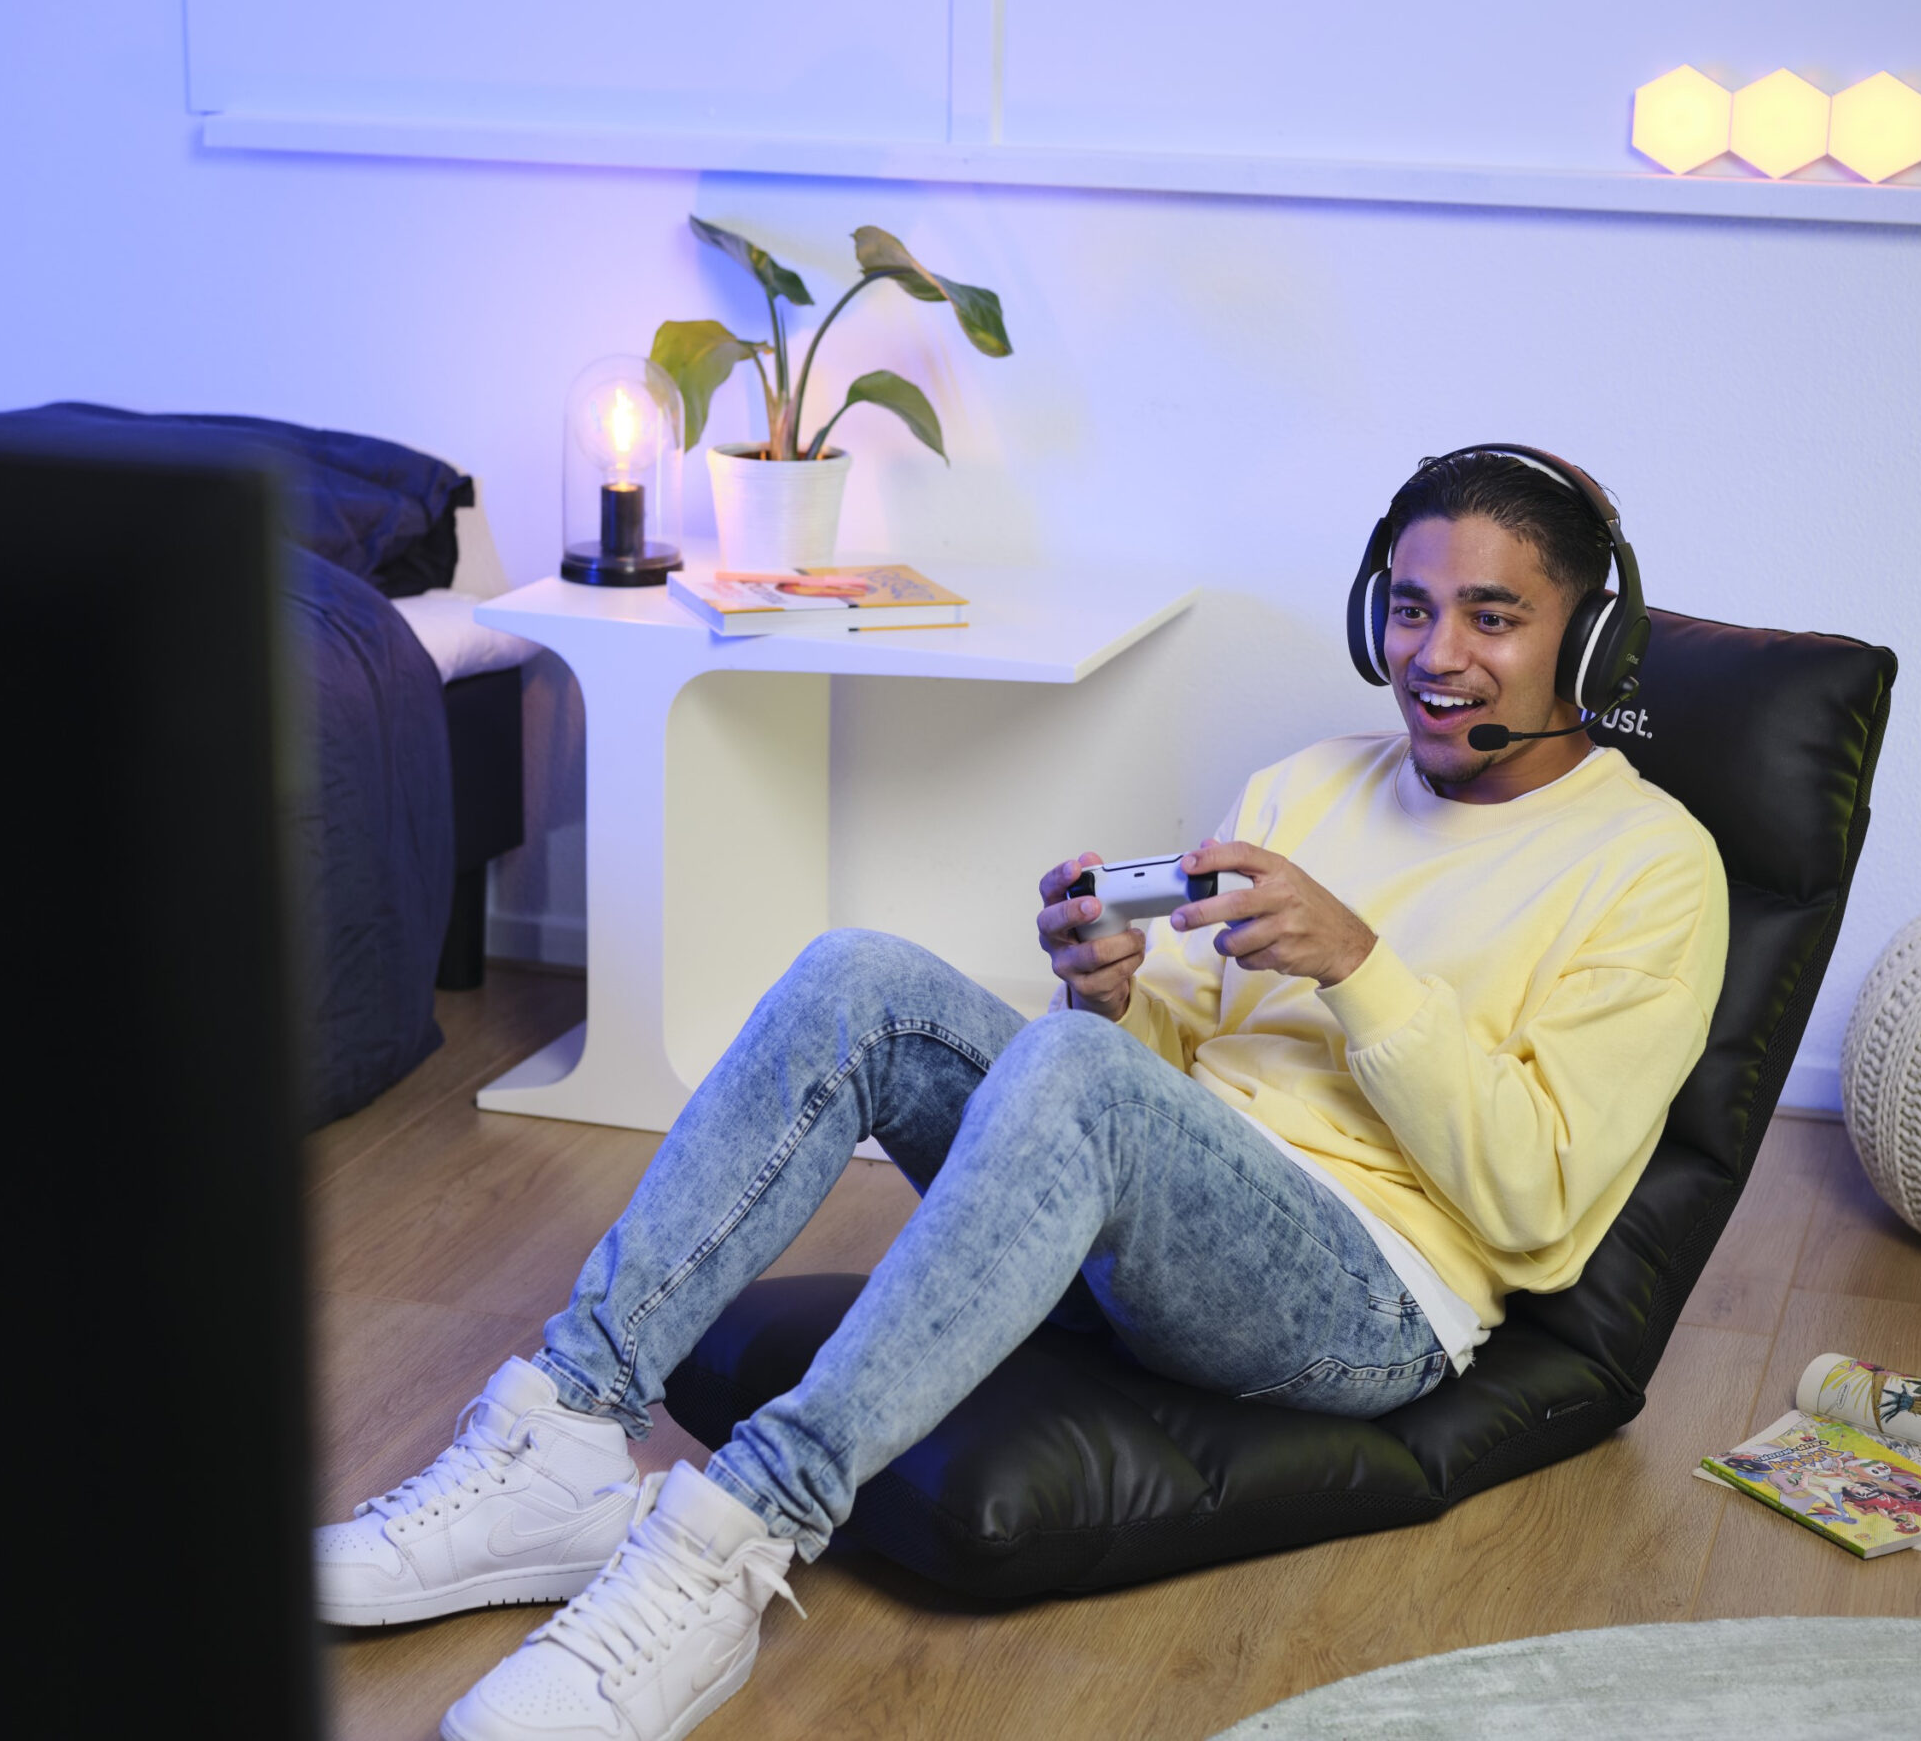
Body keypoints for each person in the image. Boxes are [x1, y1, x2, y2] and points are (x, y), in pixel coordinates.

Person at [316, 448, 1730, 1741]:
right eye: (1411, 609)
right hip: (1171, 1215)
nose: (1438, 654)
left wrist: (1362, 966)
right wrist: (1113, 996)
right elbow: (1167, 1068)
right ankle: (559, 1435)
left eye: (1494, 617)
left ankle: (726, 1547)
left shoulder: (1653, 869)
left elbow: (1541, 1207)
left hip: (1371, 1299)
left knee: (1076, 1077)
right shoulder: (1308, 786)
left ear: (1585, 643)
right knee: (859, 976)